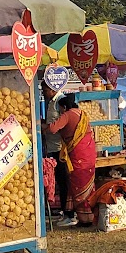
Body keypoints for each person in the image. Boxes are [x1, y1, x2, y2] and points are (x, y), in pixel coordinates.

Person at [43, 94, 96, 228]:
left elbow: (53, 128)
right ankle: (89, 217)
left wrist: (42, 127)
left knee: (78, 183)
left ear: (64, 107)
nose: (60, 113)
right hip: (89, 151)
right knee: (88, 183)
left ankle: (83, 219)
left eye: (60, 110)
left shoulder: (68, 114)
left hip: (78, 153)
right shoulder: (81, 113)